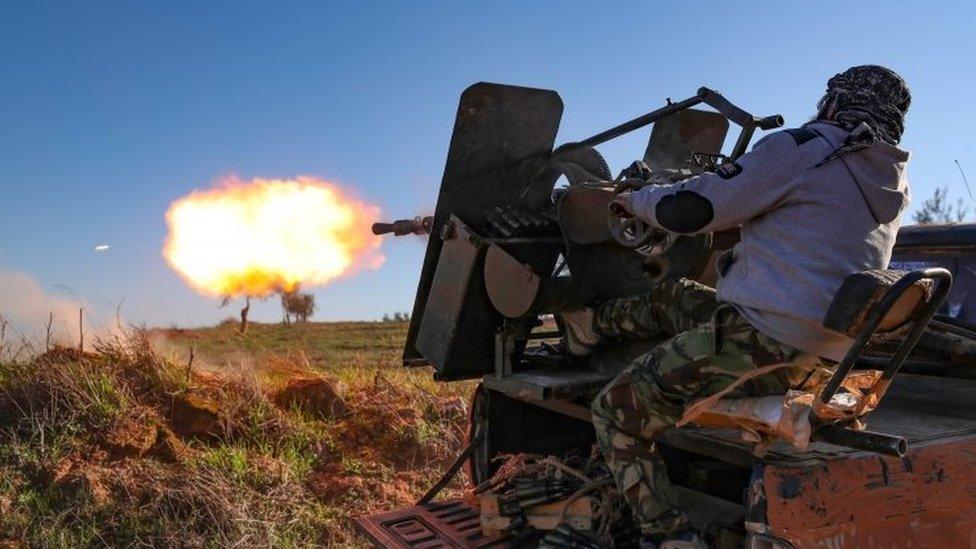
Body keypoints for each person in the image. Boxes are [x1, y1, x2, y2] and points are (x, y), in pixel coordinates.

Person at [562, 65, 913, 544]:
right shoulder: (889, 178)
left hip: (764, 344)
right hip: (824, 353)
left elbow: (692, 209)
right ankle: (589, 328)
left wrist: (637, 201)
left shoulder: (806, 148)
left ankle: (668, 534)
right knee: (676, 296)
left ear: (834, 104)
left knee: (615, 409)